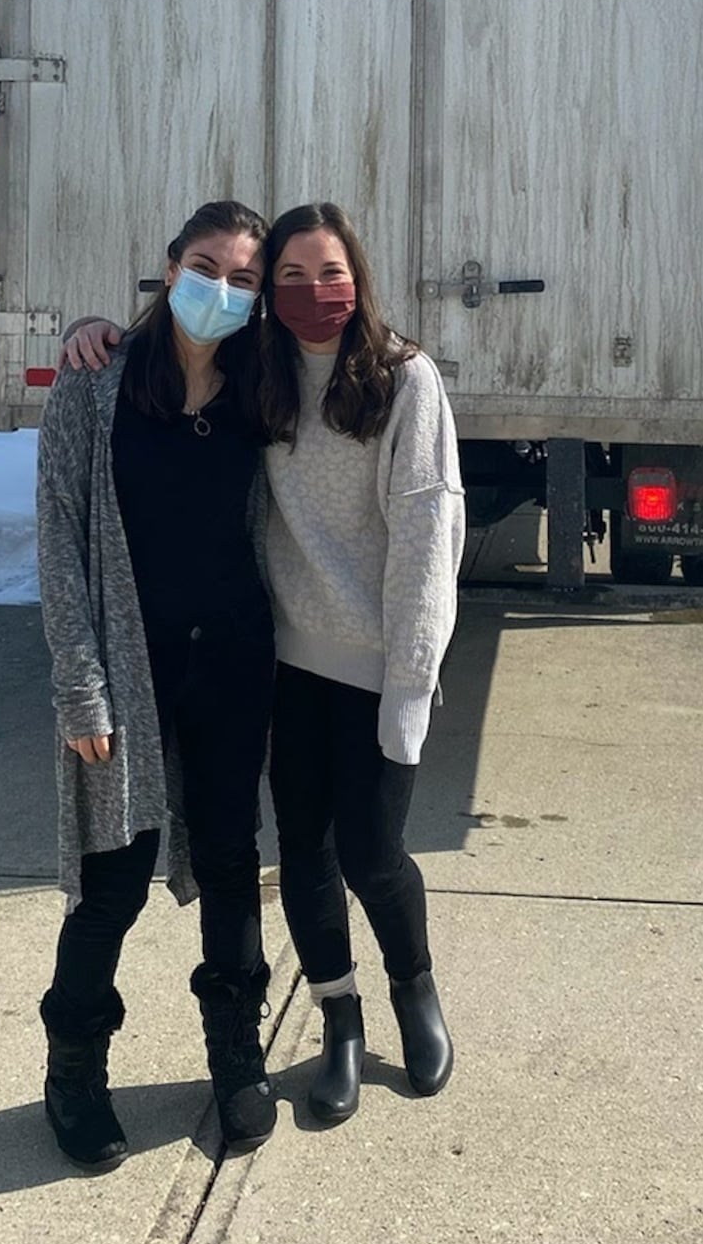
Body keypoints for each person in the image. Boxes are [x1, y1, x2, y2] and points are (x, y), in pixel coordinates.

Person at [63, 200, 466, 1125]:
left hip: (332, 666)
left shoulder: (388, 380)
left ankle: (404, 995)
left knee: (357, 851)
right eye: (283, 277)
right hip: (253, 660)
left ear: (359, 275)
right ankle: (336, 1021)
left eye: (327, 273)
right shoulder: (252, 373)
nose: (307, 293)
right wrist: (95, 331)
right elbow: (162, 371)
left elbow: (427, 542)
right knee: (266, 860)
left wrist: (410, 685)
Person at [35, 199, 279, 1169]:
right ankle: (74, 1071)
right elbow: (59, 540)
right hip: (127, 673)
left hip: (230, 659)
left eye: (244, 278)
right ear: (169, 265)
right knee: (113, 882)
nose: (221, 289)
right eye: (206, 265)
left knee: (229, 866)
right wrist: (79, 687)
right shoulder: (94, 386)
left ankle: (236, 1058)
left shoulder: (262, 390)